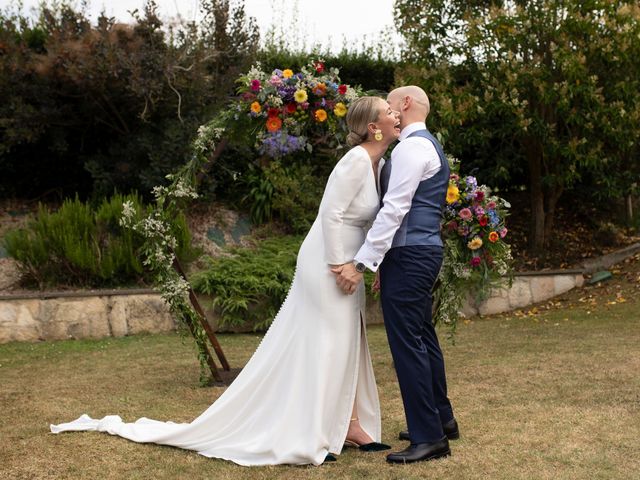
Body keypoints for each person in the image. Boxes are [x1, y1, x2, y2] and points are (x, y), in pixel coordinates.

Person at [50, 96, 401, 466]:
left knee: (348, 342)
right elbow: (329, 215)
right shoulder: (356, 160)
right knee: (327, 343)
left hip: (351, 263)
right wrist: (337, 265)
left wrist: (362, 265)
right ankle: (312, 431)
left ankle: (350, 424)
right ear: (374, 126)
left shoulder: (378, 163)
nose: (396, 115)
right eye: (389, 111)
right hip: (328, 263)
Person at [333, 86, 459, 464]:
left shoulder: (409, 148)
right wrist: (381, 262)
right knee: (423, 335)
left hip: (410, 254)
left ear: (405, 105)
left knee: (408, 345)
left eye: (391, 103)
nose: (390, 109)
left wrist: (363, 262)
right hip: (420, 252)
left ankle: (429, 437)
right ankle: (442, 418)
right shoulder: (428, 145)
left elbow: (395, 210)